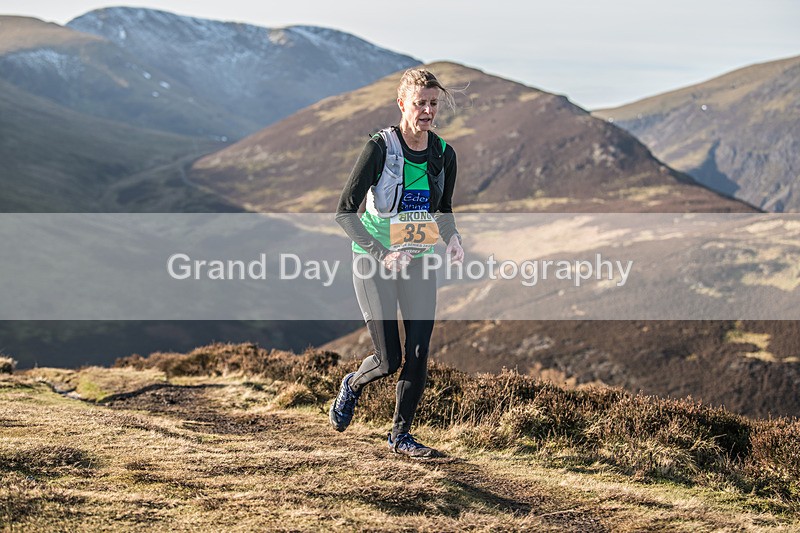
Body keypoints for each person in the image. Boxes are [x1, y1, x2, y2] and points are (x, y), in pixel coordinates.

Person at [331, 68, 464, 458]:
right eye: (420, 103)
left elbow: (443, 209)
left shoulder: (443, 153)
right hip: (374, 262)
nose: (428, 111)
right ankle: (353, 384)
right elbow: (344, 212)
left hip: (418, 260)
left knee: (419, 354)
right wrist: (383, 253)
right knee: (389, 360)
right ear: (402, 104)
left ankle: (400, 436)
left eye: (433, 103)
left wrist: (453, 237)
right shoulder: (380, 148)